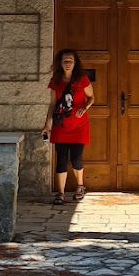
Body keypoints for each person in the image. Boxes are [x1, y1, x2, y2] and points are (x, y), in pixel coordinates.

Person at [42, 47, 94, 205]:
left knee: (76, 158)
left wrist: (84, 108)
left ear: (75, 63)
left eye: (70, 61)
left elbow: (91, 97)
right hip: (61, 126)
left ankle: (80, 186)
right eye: (65, 61)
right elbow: (52, 105)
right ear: (60, 63)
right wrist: (47, 125)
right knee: (61, 160)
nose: (68, 64)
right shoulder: (56, 82)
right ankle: (60, 193)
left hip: (79, 126)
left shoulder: (82, 79)